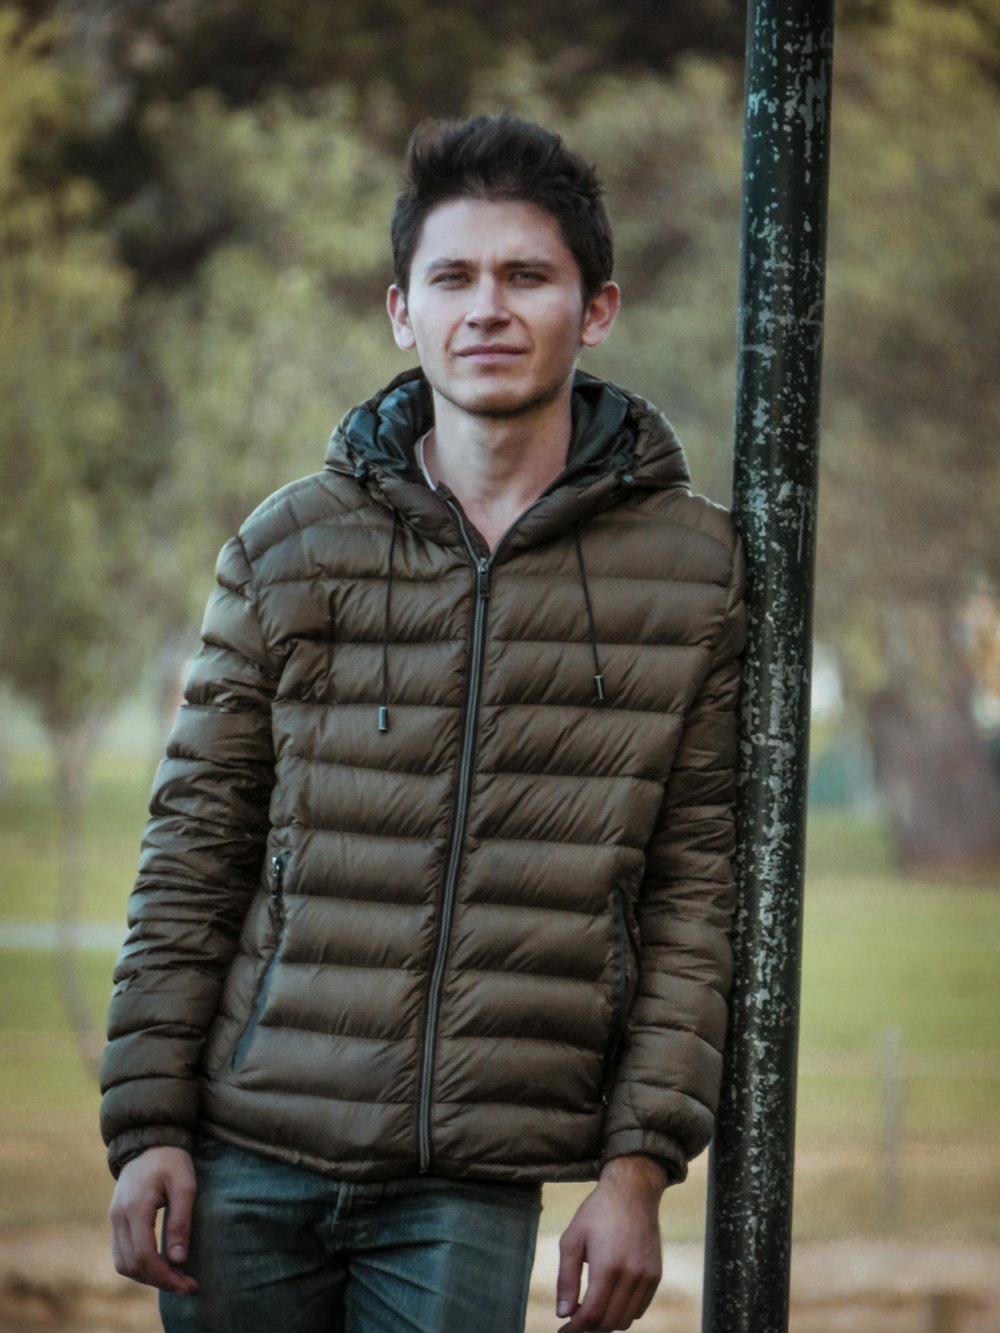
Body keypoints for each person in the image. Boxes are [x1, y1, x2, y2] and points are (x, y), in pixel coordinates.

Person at [101, 111, 745, 1333]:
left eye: (527, 276)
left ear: (595, 308)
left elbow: (692, 897)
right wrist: (144, 1126)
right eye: (452, 276)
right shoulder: (287, 546)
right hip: (244, 1154)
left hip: (471, 1180)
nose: (487, 307)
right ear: (402, 311)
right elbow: (193, 850)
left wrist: (636, 1171)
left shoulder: (693, 569)